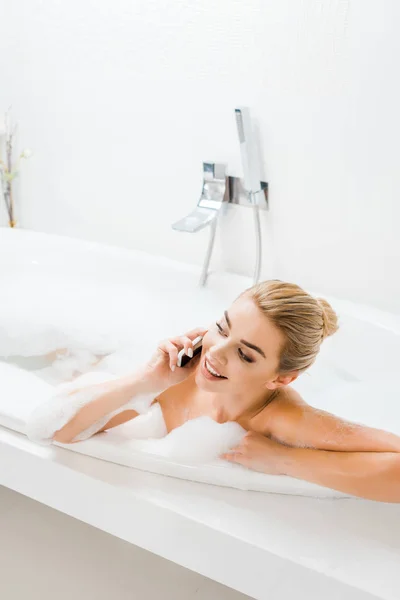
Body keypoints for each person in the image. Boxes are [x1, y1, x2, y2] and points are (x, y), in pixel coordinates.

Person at [39, 280, 400, 502]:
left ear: (282, 379)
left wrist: (284, 460)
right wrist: (147, 380)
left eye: (244, 354)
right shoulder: (184, 366)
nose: (215, 352)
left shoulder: (283, 419)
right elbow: (58, 429)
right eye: (222, 328)